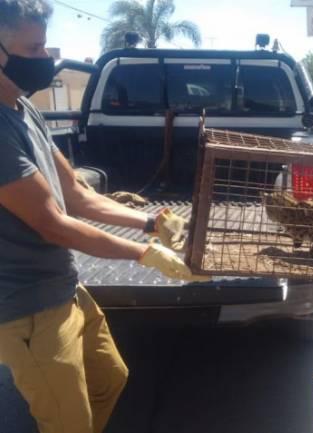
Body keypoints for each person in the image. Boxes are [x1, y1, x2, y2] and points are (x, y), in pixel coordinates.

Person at [0, 1, 207, 432]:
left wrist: (150, 223)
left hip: (63, 287)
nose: (47, 59)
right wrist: (144, 253)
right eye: (34, 48)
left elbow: (75, 193)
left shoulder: (24, 108)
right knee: (67, 423)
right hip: (26, 309)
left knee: (111, 378)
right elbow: (53, 223)